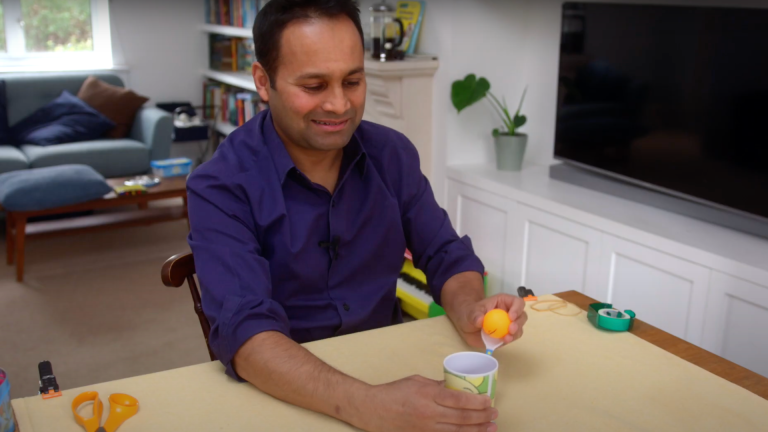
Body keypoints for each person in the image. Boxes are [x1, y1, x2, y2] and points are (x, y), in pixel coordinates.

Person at [187, 1, 528, 431]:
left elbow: (446, 254)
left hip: (389, 365)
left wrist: (470, 311)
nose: (339, 104)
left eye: (353, 80)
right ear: (263, 82)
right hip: (288, 390)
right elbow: (246, 334)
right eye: (313, 85)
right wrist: (369, 405)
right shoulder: (219, 185)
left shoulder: (392, 153)